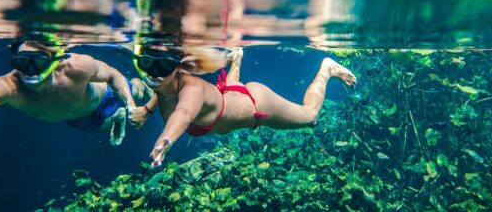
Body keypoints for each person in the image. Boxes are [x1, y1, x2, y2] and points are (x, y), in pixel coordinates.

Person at [0, 33, 153, 166]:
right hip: (76, 118)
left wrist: (131, 105)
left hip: (101, 97)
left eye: (39, 63)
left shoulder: (77, 66)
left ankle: (137, 86)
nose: (30, 71)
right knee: (104, 129)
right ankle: (116, 117)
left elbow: (112, 74)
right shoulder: (7, 87)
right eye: (23, 62)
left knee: (133, 93)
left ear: (55, 61)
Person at [117, 45, 357, 168]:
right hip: (227, 95)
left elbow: (184, 112)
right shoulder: (165, 84)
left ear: (177, 68)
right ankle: (237, 58)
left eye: (163, 68)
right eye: (149, 65)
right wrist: (147, 110)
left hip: (254, 104)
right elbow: (163, 90)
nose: (155, 75)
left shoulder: (193, 90)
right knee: (227, 96)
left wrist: (166, 139)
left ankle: (326, 69)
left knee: (310, 117)